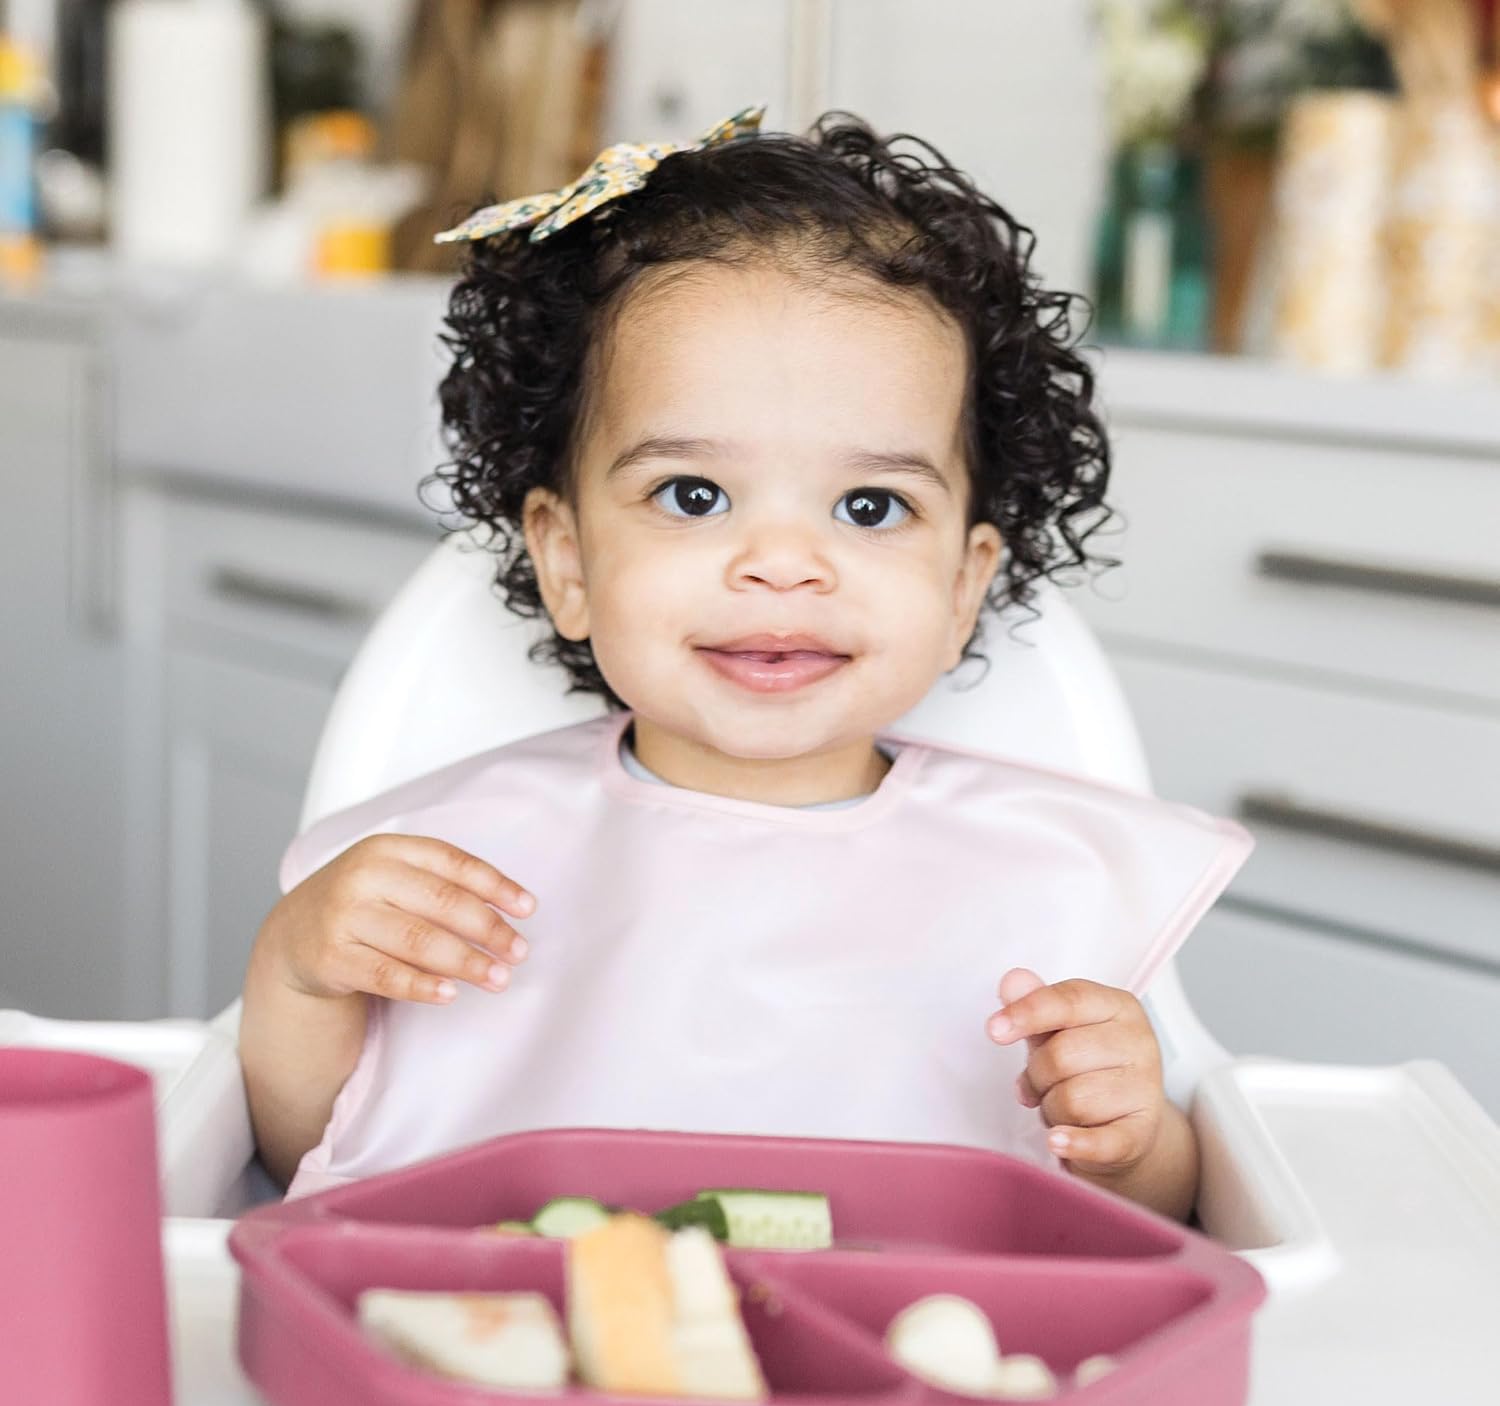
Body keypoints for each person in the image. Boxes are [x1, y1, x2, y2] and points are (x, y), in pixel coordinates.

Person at [239, 108, 1249, 1218]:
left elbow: (1162, 1225)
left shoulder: (1047, 871)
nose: (782, 563)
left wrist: (1130, 1147)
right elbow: (310, 1163)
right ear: (567, 560)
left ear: (965, 587)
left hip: (934, 1327)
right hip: (528, 1308)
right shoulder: (466, 855)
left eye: (870, 507)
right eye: (693, 495)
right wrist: (298, 976)